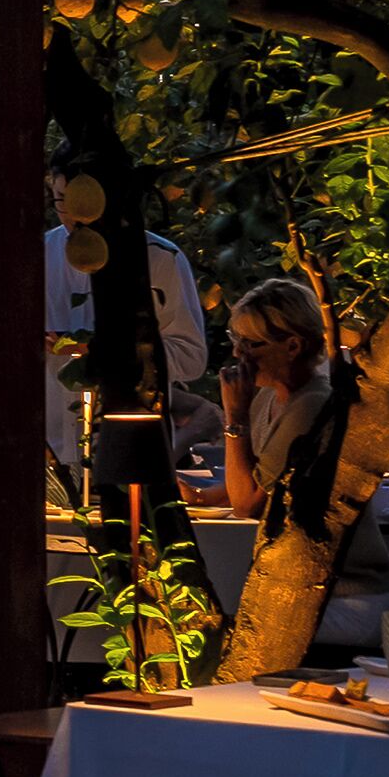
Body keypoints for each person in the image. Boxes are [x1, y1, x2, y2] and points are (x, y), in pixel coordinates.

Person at [42, 164, 208, 476]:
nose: (70, 214)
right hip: (49, 452)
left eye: (79, 201)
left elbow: (191, 357)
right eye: (60, 200)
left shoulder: (158, 258)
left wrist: (106, 351)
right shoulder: (37, 257)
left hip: (131, 449)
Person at [179, 276, 332, 517]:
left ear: (293, 347)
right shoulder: (267, 397)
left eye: (249, 343)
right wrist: (199, 497)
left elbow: (249, 504)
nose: (237, 351)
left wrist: (236, 418)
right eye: (236, 339)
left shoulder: (311, 406)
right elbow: (258, 480)